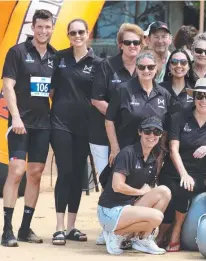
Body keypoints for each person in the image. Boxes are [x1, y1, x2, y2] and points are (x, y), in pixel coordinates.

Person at [1, 9, 56, 247]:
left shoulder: (56, 56)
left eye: (48, 27)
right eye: (40, 26)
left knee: (35, 174)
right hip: (20, 123)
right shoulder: (17, 52)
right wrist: (15, 117)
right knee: (16, 171)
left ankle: (25, 228)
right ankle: (7, 230)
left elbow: (54, 90)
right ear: (32, 27)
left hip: (43, 125)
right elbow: (8, 87)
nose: (43, 31)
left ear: (52, 28)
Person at [157, 78, 206, 252]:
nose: (204, 100)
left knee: (183, 190)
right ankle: (160, 235)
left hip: (199, 174)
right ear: (193, 98)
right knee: (170, 193)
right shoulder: (179, 117)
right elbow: (173, 149)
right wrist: (183, 174)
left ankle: (175, 231)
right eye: (199, 96)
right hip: (174, 170)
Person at [49, 19, 102, 245]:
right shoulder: (59, 58)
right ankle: (59, 227)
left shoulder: (98, 63)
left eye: (81, 32)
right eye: (73, 33)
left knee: (79, 174)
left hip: (84, 127)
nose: (77, 36)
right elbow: (50, 90)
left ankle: (71, 226)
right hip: (60, 124)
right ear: (68, 35)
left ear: (88, 34)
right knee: (66, 172)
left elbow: (99, 95)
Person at [97, 116, 171, 255]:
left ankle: (142, 239)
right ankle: (115, 234)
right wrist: (140, 192)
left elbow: (147, 190)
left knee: (164, 191)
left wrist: (143, 193)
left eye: (156, 132)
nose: (152, 135)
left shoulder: (152, 159)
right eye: (147, 131)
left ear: (160, 135)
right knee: (156, 217)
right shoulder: (128, 153)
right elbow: (117, 186)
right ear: (140, 132)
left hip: (128, 208)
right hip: (109, 210)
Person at [90, 23, 142, 191]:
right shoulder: (107, 65)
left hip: (133, 137)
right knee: (108, 183)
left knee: (132, 182)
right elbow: (96, 100)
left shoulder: (145, 68)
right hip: (103, 135)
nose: (132, 46)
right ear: (120, 44)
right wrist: (122, 116)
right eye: (128, 42)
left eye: (136, 42)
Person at [105, 51, 171, 161]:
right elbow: (109, 120)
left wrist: (161, 153)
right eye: (142, 67)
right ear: (136, 68)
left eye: (150, 67)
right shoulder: (123, 90)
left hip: (152, 156)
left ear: (156, 69)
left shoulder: (164, 94)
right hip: (125, 152)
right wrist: (114, 148)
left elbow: (166, 127)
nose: (146, 70)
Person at [161, 49, 196, 116]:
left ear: (188, 67)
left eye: (183, 62)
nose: (179, 65)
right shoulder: (159, 89)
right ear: (169, 66)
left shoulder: (195, 90)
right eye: (174, 62)